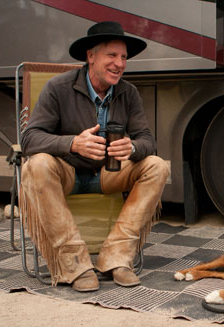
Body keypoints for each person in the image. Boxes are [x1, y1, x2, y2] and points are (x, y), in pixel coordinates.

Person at [20, 21, 170, 292]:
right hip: (67, 173)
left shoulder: (128, 92)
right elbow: (30, 139)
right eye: (112, 55)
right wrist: (73, 143)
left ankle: (116, 257)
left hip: (108, 175)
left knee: (156, 166)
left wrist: (132, 148)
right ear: (91, 57)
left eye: (123, 57)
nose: (120, 64)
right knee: (37, 164)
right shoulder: (58, 88)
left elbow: (148, 140)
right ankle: (74, 264)